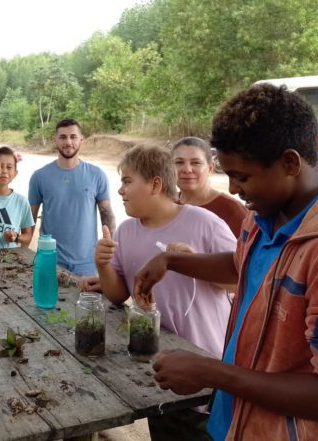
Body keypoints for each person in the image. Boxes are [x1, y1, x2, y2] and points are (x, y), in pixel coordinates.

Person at [135, 83, 318, 440]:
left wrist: (212, 373)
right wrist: (172, 261)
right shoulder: (264, 217)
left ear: (290, 162)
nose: (233, 189)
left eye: (242, 176)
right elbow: (244, 269)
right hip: (236, 423)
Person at [91, 143, 236, 440]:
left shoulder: (204, 223)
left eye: (127, 181)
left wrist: (192, 261)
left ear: (155, 184)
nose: (120, 190)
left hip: (205, 372)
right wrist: (103, 264)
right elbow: (118, 295)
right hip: (159, 368)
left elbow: (241, 283)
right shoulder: (127, 231)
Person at [29, 118, 116, 276]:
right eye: (62, 137)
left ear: (81, 140)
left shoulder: (97, 175)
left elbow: (107, 214)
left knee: (89, 302)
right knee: (48, 301)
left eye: (73, 137)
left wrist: (110, 250)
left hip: (88, 264)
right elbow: (30, 220)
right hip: (50, 261)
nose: (68, 142)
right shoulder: (39, 177)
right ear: (54, 140)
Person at [172, 136, 248, 238]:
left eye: (196, 163)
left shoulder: (233, 211)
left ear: (210, 168)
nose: (187, 170)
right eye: (179, 162)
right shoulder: (166, 204)